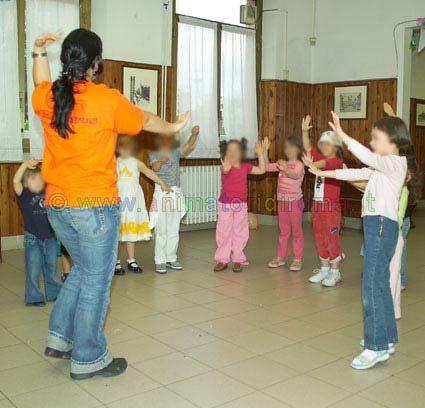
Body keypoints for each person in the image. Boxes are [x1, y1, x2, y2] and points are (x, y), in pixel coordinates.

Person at [32, 28, 190, 380]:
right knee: (96, 281)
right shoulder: (106, 100)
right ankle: (88, 356)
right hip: (94, 208)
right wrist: (174, 125)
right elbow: (146, 121)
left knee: (85, 270)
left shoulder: (50, 97)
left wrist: (37, 52)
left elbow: (39, 85)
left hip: (57, 205)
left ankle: (59, 338)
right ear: (95, 63)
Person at [306, 111, 417, 370]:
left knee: (371, 287)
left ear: (392, 141)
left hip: (380, 226)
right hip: (377, 226)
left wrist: (343, 135)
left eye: (375, 138)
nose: (371, 142)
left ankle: (375, 347)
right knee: (378, 285)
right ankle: (386, 339)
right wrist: (323, 174)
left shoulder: (395, 162)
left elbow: (365, 157)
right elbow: (356, 171)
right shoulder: (383, 167)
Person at [115, 135, 170, 275]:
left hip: (134, 199)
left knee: (130, 228)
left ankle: (131, 259)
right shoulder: (114, 163)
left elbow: (149, 172)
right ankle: (115, 262)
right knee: (118, 231)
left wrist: (161, 183)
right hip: (119, 199)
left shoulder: (136, 162)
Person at [149, 126, 199, 274]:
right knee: (161, 229)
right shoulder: (154, 152)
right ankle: (160, 260)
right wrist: (161, 160)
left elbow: (188, 145)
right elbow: (155, 168)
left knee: (173, 228)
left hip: (175, 192)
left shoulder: (175, 151)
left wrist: (194, 134)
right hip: (162, 192)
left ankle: (171, 258)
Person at [213, 138, 268, 273]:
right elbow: (225, 171)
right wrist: (225, 168)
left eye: (235, 150)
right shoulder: (226, 165)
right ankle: (223, 259)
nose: (232, 153)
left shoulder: (246, 166)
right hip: (225, 204)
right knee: (224, 231)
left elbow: (261, 170)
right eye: (229, 150)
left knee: (240, 231)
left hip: (241, 205)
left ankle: (238, 258)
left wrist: (261, 154)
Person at [301, 116, 344, 287]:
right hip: (317, 206)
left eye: (328, 144)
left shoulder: (337, 161)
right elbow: (308, 148)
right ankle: (325, 269)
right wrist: (305, 131)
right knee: (320, 237)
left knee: (332, 238)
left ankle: (335, 272)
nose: (324, 146)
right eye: (323, 143)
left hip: (331, 208)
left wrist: (313, 165)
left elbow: (322, 163)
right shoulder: (320, 155)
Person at [13, 159, 61, 306]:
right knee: (33, 269)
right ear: (26, 183)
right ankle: (34, 297)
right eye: (33, 179)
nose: (38, 181)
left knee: (51, 267)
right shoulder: (24, 194)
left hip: (50, 238)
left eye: (40, 178)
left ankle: (53, 293)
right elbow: (16, 181)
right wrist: (24, 165)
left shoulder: (47, 192)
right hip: (32, 238)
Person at [265, 136, 305, 271]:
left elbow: (294, 175)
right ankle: (281, 257)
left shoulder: (300, 164)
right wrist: (264, 152)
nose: (288, 150)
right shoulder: (281, 163)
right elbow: (266, 167)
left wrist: (285, 169)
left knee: (297, 231)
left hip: (296, 202)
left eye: (292, 147)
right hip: (282, 202)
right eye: (286, 147)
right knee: (284, 231)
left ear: (299, 149)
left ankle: (297, 259)